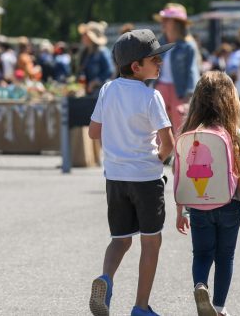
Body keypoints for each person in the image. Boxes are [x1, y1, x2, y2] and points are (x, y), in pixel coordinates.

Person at [88, 29, 175, 316]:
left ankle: (106, 278)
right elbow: (168, 143)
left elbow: (94, 131)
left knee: (120, 239)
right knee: (151, 242)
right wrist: (158, 161)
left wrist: (117, 147)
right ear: (137, 66)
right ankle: (141, 307)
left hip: (115, 177)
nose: (160, 63)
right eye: (154, 59)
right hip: (145, 178)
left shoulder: (107, 90)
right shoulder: (151, 97)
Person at [175, 71, 240, 316]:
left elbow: (181, 174)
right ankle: (219, 307)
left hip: (198, 207)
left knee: (201, 255)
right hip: (229, 205)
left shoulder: (189, 135)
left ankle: (201, 287)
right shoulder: (233, 133)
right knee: (225, 257)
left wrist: (180, 210)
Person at [154, 3, 200, 134]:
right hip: (160, 87)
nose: (162, 22)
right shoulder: (159, 43)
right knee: (157, 124)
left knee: (180, 125)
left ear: (177, 23)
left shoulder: (188, 46)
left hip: (180, 90)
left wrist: (189, 95)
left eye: (166, 19)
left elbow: (192, 71)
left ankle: (179, 153)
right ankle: (160, 154)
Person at [77, 21, 115, 96]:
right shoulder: (85, 52)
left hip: (101, 91)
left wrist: (95, 82)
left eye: (85, 34)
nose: (83, 36)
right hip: (88, 91)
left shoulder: (102, 52)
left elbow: (109, 71)